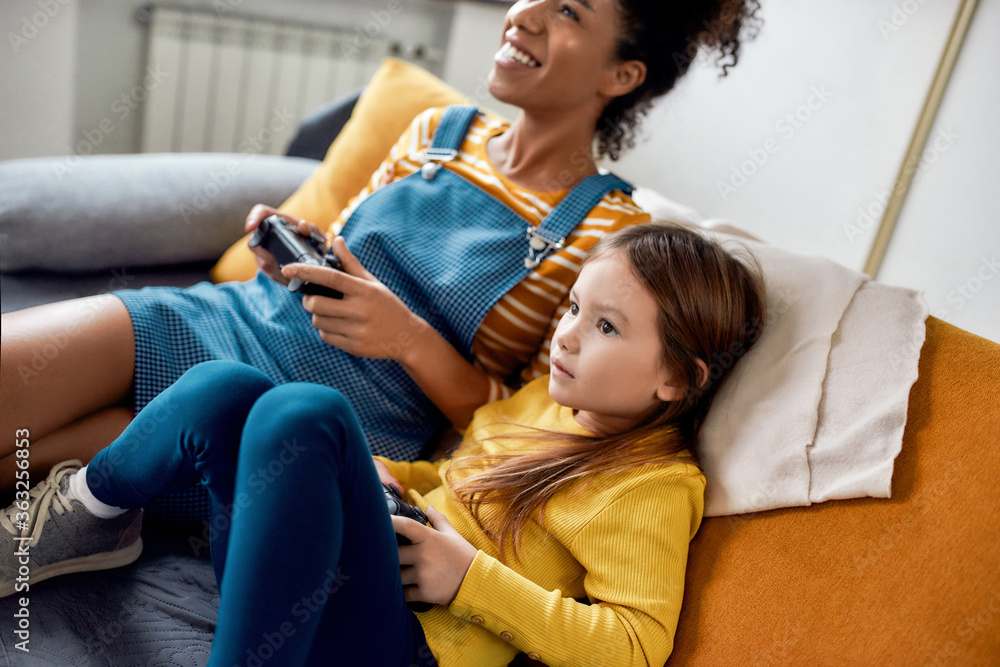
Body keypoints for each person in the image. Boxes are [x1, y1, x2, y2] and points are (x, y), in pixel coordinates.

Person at [0, 0, 763, 518]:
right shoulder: (439, 130)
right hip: (222, 318)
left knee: (28, 465)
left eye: (569, 10)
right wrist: (301, 249)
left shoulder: (607, 227)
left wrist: (404, 337)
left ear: (620, 75)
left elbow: (516, 430)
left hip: (300, 421)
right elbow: (344, 254)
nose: (525, 11)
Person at [2, 224, 767, 666]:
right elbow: (454, 479)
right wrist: (391, 473)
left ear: (677, 376)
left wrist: (469, 579)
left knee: (305, 412)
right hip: (355, 574)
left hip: (404, 646)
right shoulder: (545, 402)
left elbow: (635, 645)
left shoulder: (651, 485)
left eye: (605, 326)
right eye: (573, 307)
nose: (565, 334)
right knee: (226, 385)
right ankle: (87, 513)